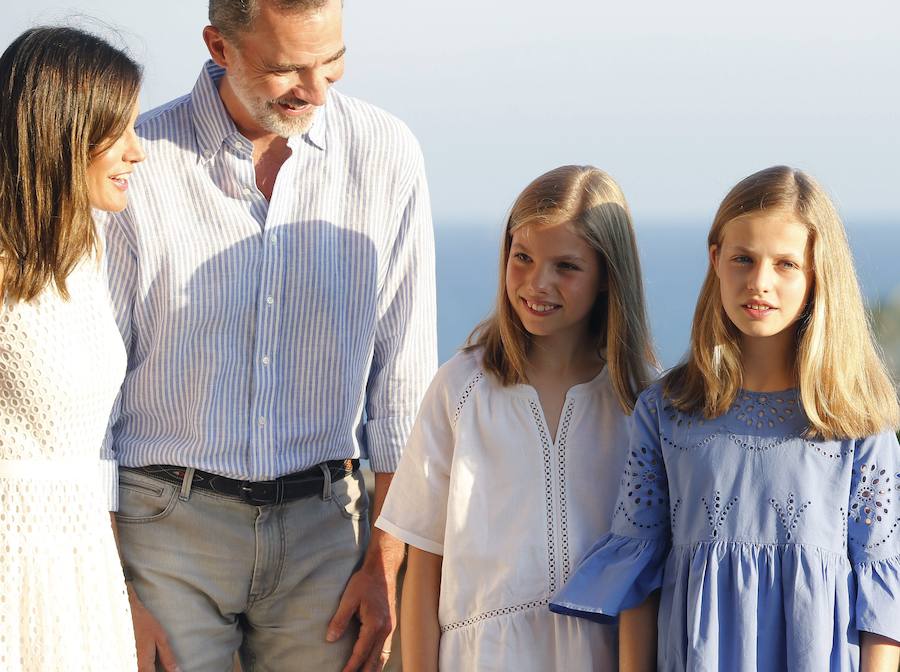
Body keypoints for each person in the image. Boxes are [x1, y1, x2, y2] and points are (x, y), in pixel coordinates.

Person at [102, 0, 436, 670]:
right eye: (288, 69)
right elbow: (93, 394)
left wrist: (384, 560)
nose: (315, 91)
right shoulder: (136, 161)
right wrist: (116, 592)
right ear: (219, 48)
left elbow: (403, 378)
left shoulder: (386, 152)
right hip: (164, 527)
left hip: (325, 530)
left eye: (332, 64)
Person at [550, 165, 900, 671]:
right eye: (743, 258)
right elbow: (638, 575)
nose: (760, 282)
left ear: (818, 272)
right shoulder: (667, 411)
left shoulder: (857, 423)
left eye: (785, 264)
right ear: (715, 259)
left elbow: (882, 594)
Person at [375, 165, 657, 670]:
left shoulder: (642, 403)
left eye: (566, 267)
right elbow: (423, 563)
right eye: (522, 257)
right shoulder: (460, 388)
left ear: (607, 276)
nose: (536, 282)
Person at [0, 25, 145, 672]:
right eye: (119, 133)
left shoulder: (89, 248)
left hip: (80, 560)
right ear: (62, 132)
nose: (137, 154)